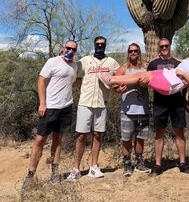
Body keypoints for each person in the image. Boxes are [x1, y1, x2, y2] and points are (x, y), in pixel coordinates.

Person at [101, 41, 189, 175]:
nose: (164, 48)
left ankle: (183, 163)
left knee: (179, 133)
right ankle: (157, 165)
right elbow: (146, 84)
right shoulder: (156, 63)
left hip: (175, 99)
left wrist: (184, 96)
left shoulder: (183, 63)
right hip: (160, 102)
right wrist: (143, 84)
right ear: (159, 48)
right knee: (158, 134)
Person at [22, 40, 78, 191]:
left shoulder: (75, 66)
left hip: (66, 107)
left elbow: (71, 82)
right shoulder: (52, 62)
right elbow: (41, 81)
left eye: (74, 49)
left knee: (58, 140)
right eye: (68, 48)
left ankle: (55, 172)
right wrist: (42, 103)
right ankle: (30, 176)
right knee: (40, 140)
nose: (70, 51)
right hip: (50, 108)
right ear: (63, 48)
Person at [67, 36, 119, 181]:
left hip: (102, 103)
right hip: (85, 102)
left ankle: (94, 167)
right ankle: (76, 168)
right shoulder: (84, 61)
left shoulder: (112, 62)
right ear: (94, 45)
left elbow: (119, 76)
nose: (100, 46)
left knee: (97, 135)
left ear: (105, 45)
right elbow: (73, 74)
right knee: (81, 135)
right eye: (98, 44)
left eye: (102, 44)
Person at [116, 43, 151, 176]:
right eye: (131, 51)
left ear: (139, 52)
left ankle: (139, 162)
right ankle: (126, 163)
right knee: (126, 138)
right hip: (127, 110)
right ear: (128, 53)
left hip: (143, 108)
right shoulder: (123, 69)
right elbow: (114, 85)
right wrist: (118, 89)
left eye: (136, 51)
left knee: (140, 137)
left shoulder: (146, 67)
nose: (133, 53)